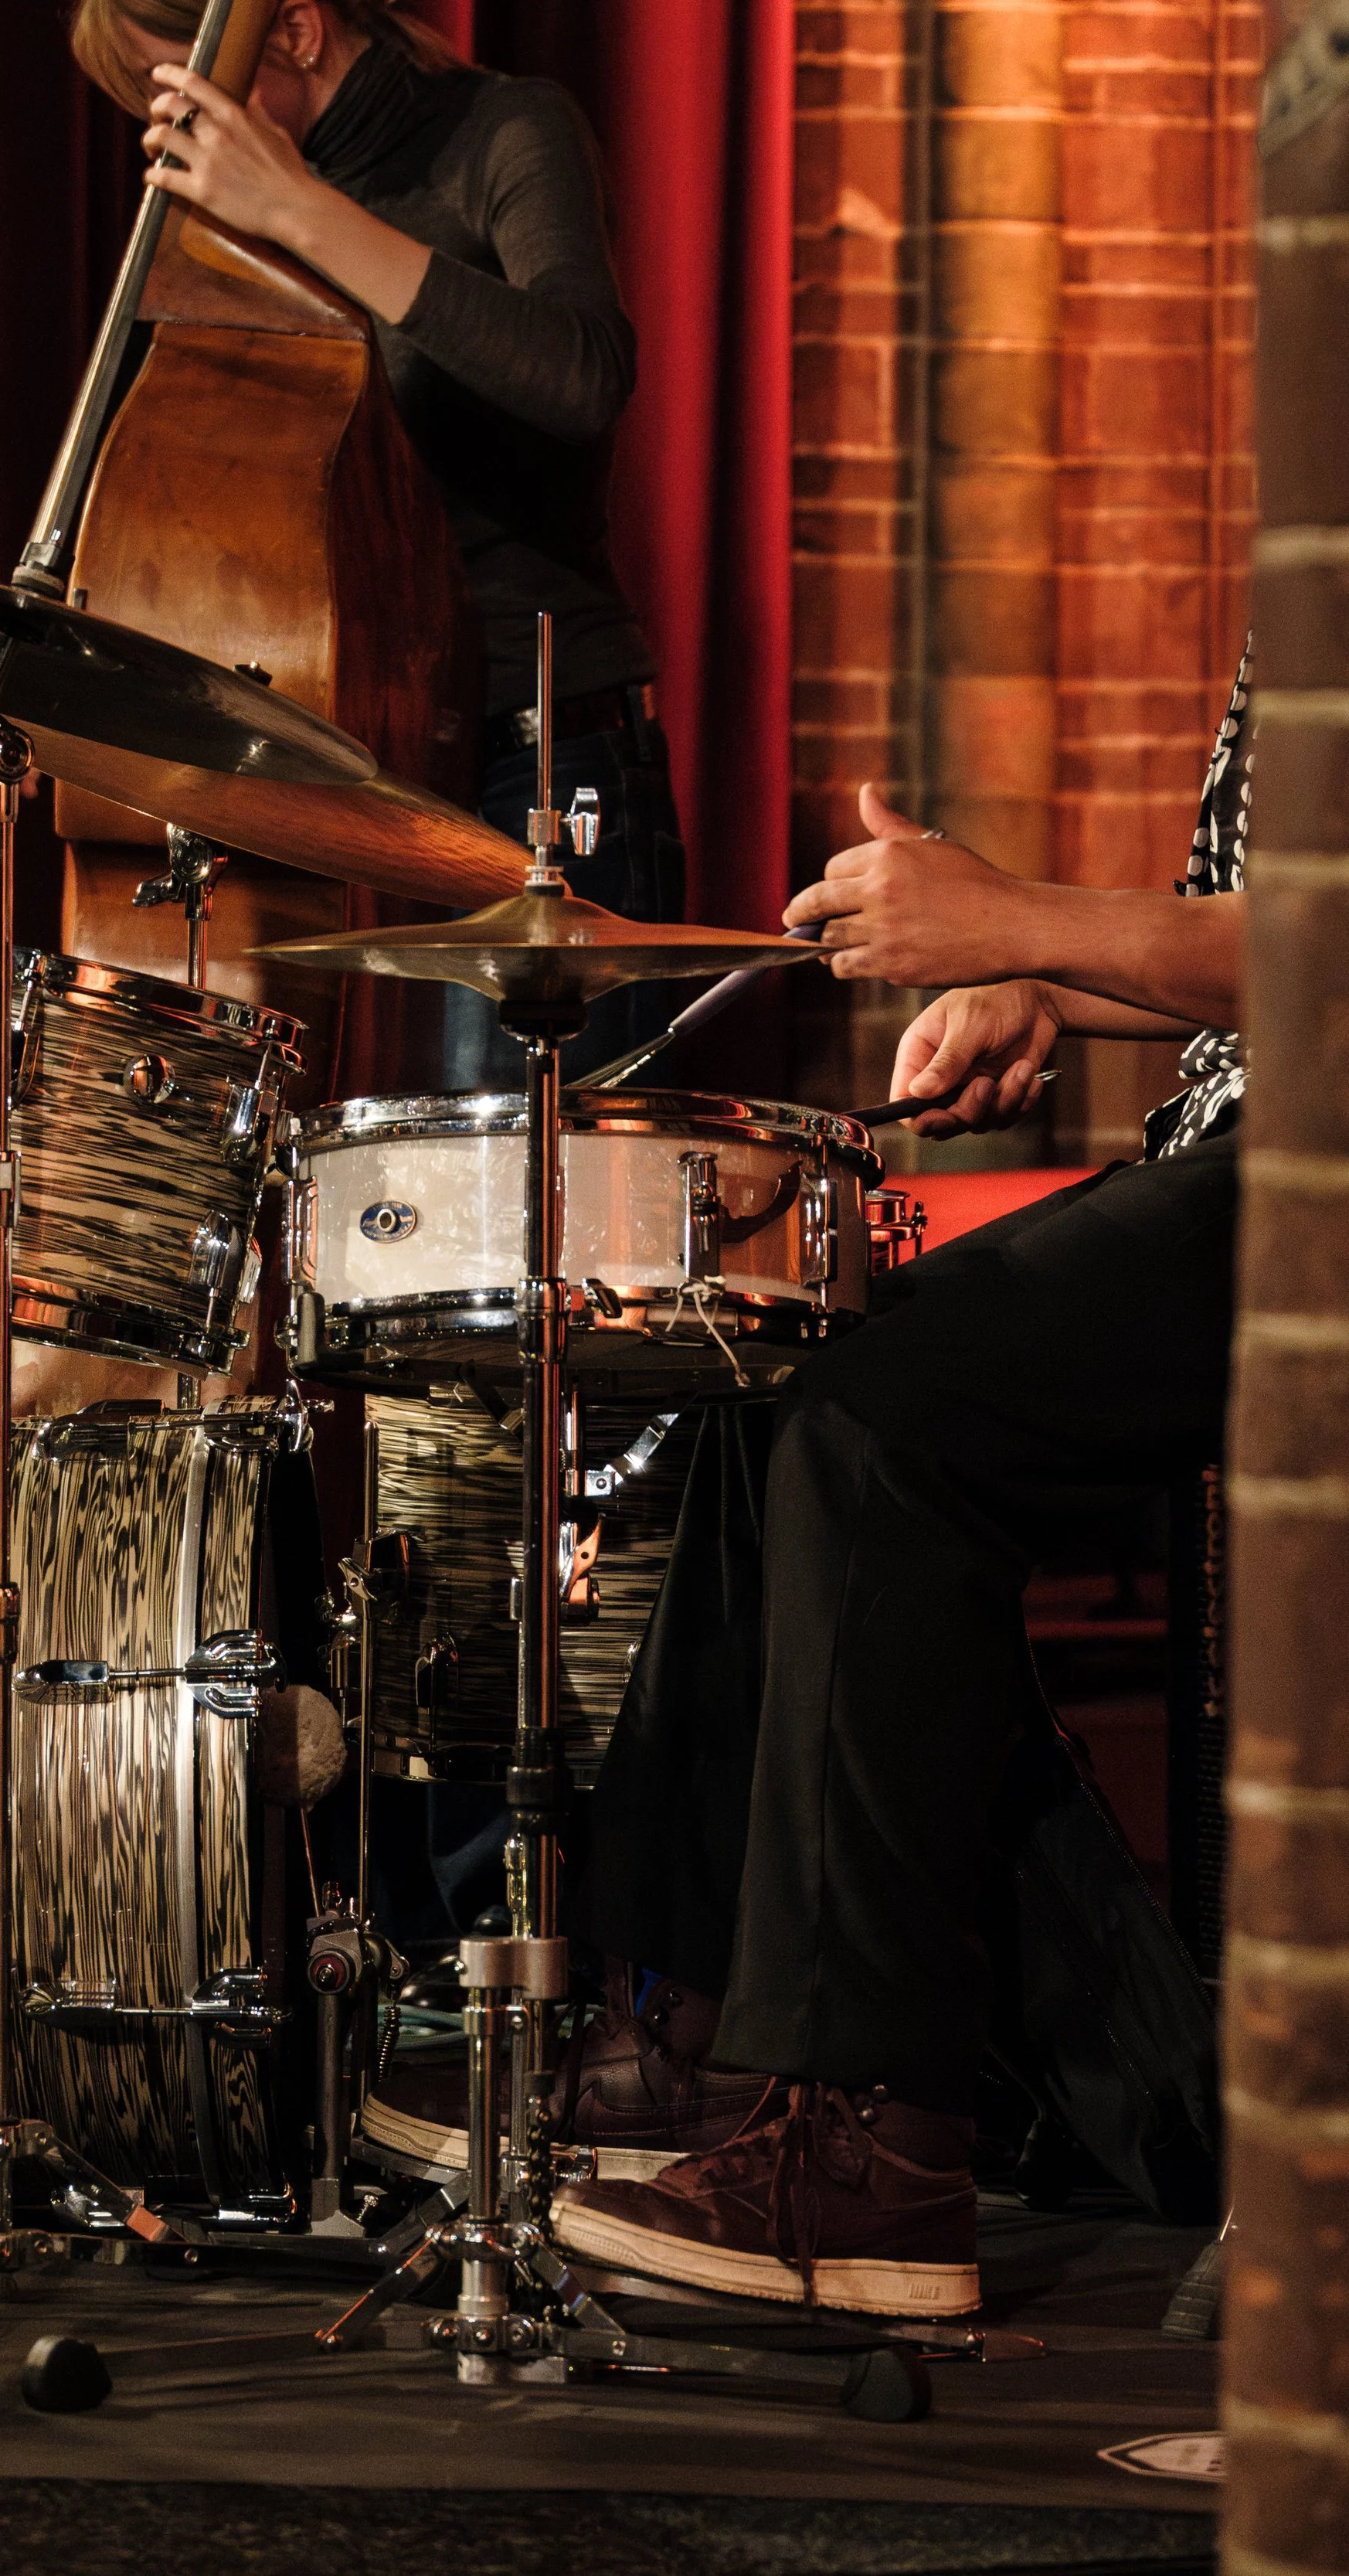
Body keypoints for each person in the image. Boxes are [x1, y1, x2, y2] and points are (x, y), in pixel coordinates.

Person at [537, 650, 1253, 2316]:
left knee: (883, 1432)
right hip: (1250, 1142)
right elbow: (1255, 943)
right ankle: (702, 2033)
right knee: (777, 1369)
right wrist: (1046, 986)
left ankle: (874, 2141)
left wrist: (1020, 922)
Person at [70, 0, 686, 1089]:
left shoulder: (505, 131)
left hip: (537, 769)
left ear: (298, 30)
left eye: (195, 97)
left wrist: (303, 212)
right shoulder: (231, 224)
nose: (186, 139)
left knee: (518, 1180)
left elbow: (582, 375)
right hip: (345, 790)